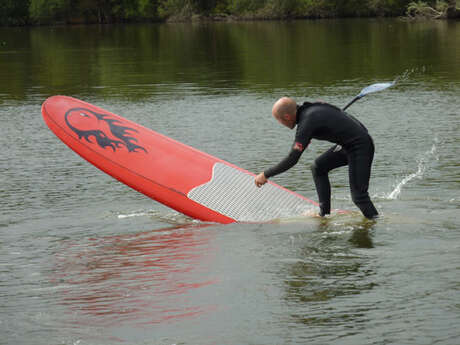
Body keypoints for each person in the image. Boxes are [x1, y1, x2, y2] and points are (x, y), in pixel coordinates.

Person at [254, 97, 378, 219]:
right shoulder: (310, 110)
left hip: (360, 147)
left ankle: (377, 223)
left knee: (359, 197)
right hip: (349, 145)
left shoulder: (307, 122)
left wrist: (265, 174)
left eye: (279, 120)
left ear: (287, 117)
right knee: (318, 167)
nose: (281, 124)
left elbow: (292, 159)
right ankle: (324, 215)